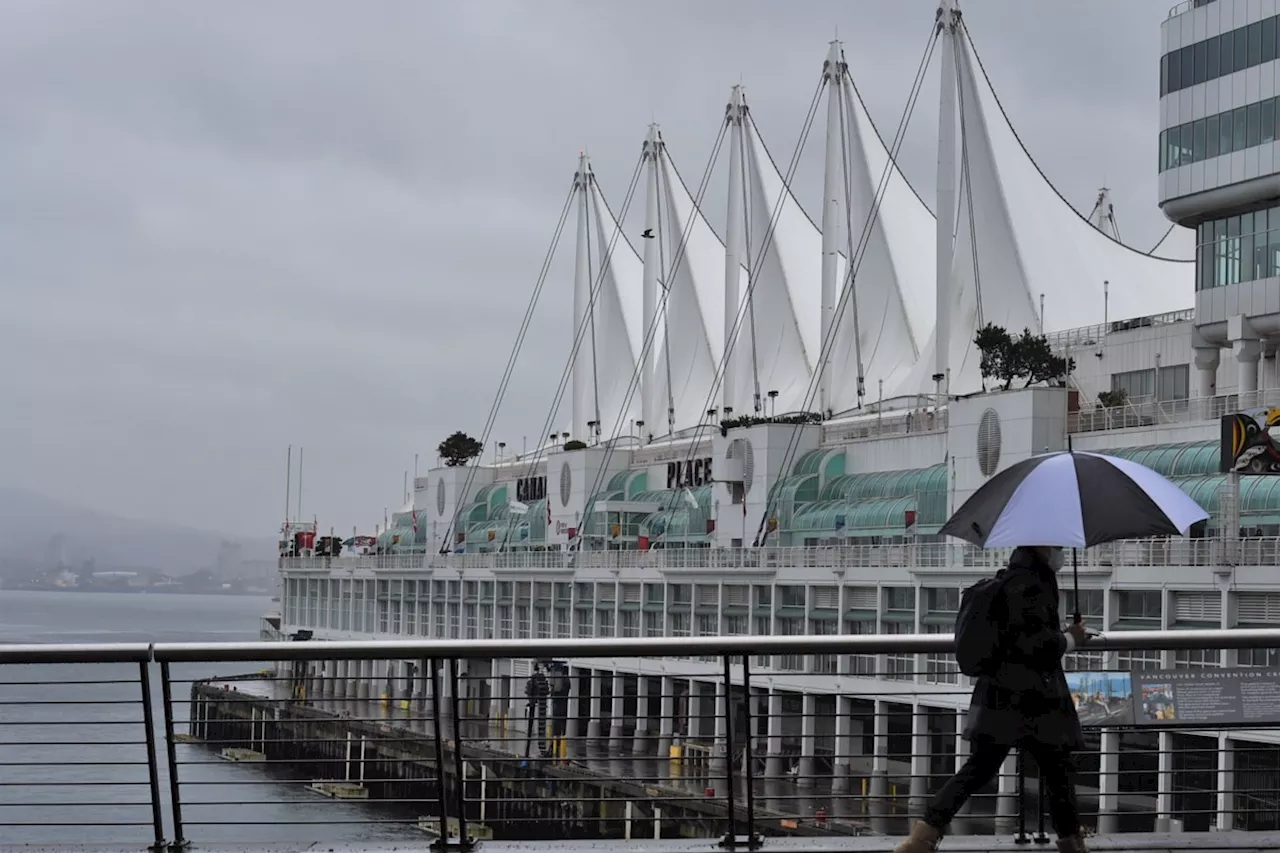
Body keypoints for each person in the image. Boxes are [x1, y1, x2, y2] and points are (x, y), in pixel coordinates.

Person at [894, 545, 1092, 853]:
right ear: (1040, 547)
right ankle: (1071, 841)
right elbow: (1034, 645)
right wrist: (1070, 639)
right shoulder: (1031, 585)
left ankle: (923, 835)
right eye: (1057, 546)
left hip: (999, 694)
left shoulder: (1009, 580)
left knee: (981, 768)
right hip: (1034, 698)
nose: (1061, 553)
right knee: (1058, 769)